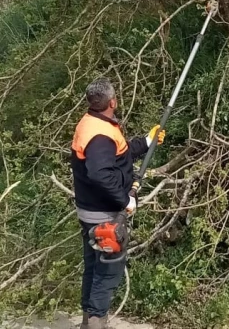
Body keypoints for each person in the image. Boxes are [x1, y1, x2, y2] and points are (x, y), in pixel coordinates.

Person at [70, 78, 165, 329]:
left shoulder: (92, 123)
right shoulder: (99, 135)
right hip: (103, 215)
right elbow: (100, 173)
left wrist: (146, 142)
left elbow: (118, 157)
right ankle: (95, 323)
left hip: (89, 211)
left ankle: (86, 322)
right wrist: (125, 200)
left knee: (92, 266)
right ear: (113, 101)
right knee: (107, 271)